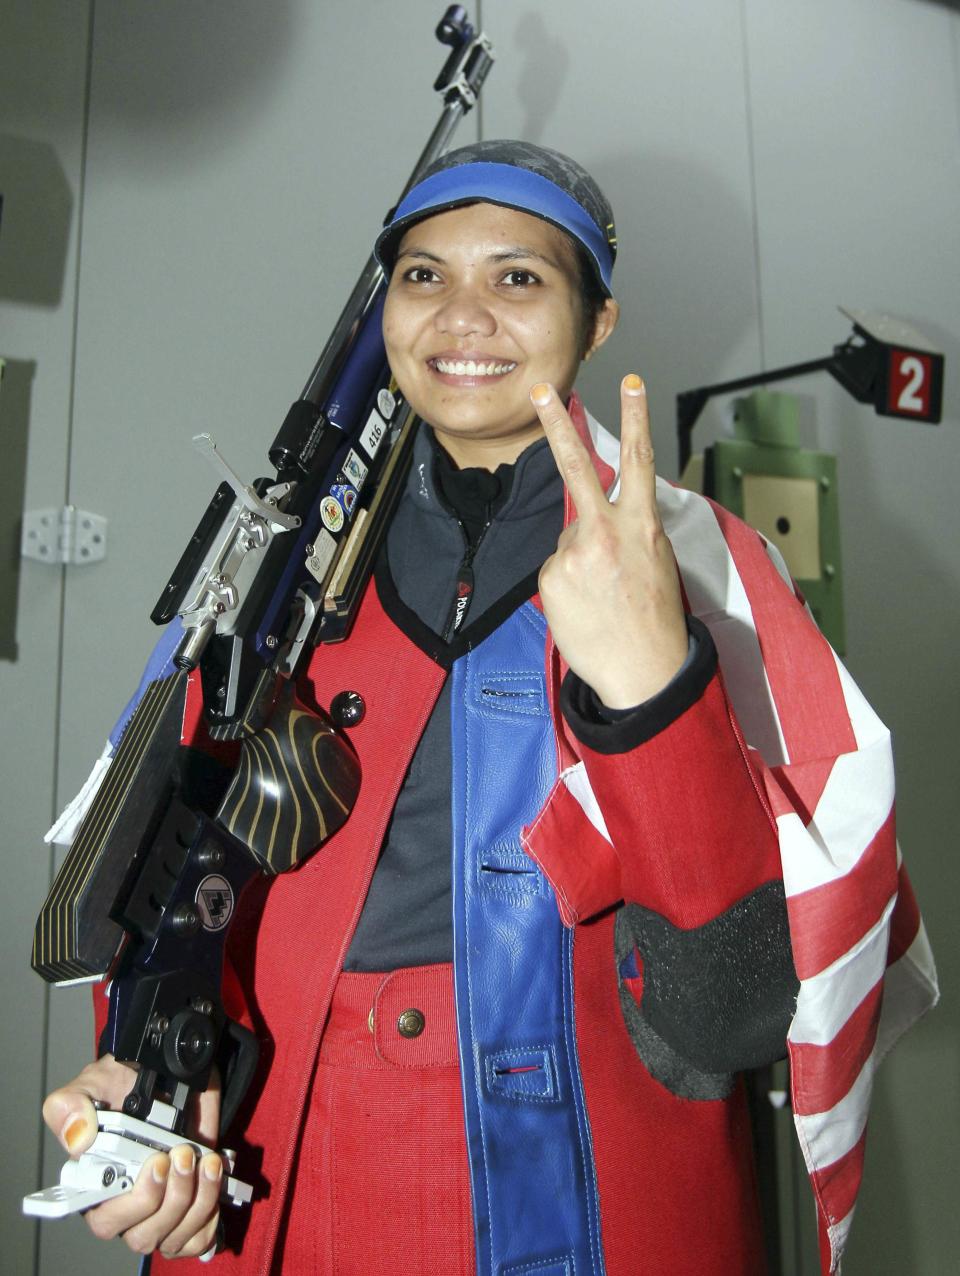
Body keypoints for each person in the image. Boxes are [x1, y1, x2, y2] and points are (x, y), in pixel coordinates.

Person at [41, 141, 935, 1275]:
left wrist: (657, 692)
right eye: (424, 277)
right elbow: (165, 887)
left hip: (604, 1188)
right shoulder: (272, 576)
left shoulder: (712, 573)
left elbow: (736, 1020)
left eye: (518, 278)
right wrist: (145, 1083)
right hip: (291, 1175)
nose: (463, 316)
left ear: (598, 317)